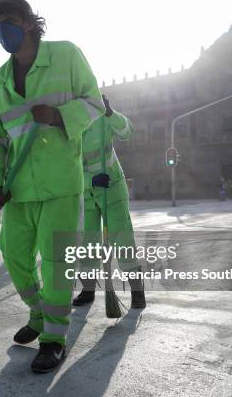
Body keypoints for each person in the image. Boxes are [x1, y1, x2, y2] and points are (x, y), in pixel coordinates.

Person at [0, 0, 105, 373]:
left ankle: (53, 338)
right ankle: (38, 313)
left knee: (55, 264)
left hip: (61, 184)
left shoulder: (66, 56)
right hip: (18, 188)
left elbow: (95, 103)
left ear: (30, 22)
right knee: (14, 255)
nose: (4, 31)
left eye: (10, 21)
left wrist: (58, 115)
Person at [72, 96, 146, 309]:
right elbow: (67, 166)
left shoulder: (102, 117)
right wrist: (89, 181)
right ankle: (87, 291)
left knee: (122, 239)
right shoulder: (68, 125)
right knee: (88, 244)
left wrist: (110, 113)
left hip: (112, 187)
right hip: (85, 192)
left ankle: (137, 291)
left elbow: (127, 132)